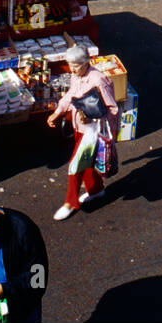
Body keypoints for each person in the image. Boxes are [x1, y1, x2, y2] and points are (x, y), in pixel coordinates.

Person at [46, 45, 120, 221]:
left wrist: (107, 130)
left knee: (76, 164)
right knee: (88, 160)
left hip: (93, 130)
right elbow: (71, 94)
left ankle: (70, 202)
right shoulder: (76, 75)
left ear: (86, 63)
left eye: (76, 65)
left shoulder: (99, 79)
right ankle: (96, 189)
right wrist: (58, 111)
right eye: (70, 65)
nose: (72, 69)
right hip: (78, 126)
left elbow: (113, 108)